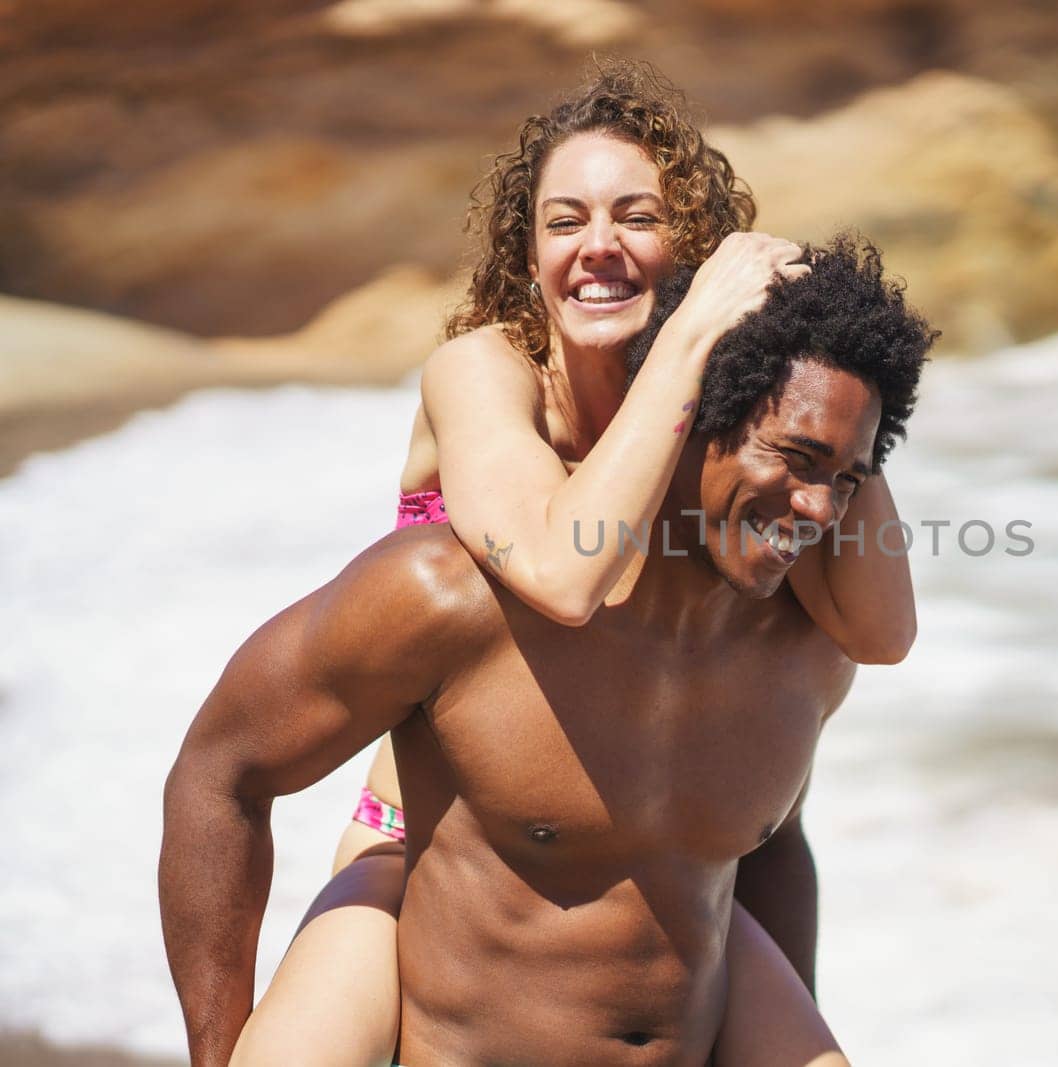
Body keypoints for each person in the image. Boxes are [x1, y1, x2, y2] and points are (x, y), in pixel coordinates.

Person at [230, 60, 918, 1064]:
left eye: (637, 216)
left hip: (649, 838)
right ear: (529, 249)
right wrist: (693, 332)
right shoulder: (487, 373)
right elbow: (561, 571)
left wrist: (824, 361)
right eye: (563, 221)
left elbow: (880, 630)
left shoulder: (726, 422)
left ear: (696, 248)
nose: (598, 247)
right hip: (425, 822)